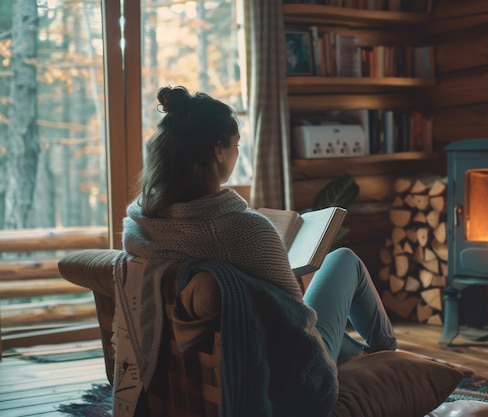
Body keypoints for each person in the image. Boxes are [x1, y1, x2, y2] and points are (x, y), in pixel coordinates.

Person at [114, 85, 396, 415]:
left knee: (351, 341)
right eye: (235, 146)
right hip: (288, 363)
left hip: (205, 366)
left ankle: (374, 355)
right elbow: (295, 315)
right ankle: (391, 357)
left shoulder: (140, 224)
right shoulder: (243, 229)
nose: (235, 154)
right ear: (218, 151)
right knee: (343, 260)